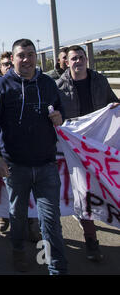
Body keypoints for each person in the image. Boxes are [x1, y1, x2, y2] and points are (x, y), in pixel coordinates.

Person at [0, 39, 67, 275]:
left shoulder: (48, 83)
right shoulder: (0, 86)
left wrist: (61, 116)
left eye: (31, 54)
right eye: (21, 55)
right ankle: (18, 250)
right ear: (13, 59)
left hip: (46, 165)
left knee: (51, 222)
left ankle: (57, 268)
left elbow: (62, 111)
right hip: (14, 166)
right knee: (17, 216)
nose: (27, 59)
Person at [56, 45, 119, 262]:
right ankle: (91, 239)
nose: (78, 61)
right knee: (83, 193)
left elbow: (112, 101)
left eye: (81, 57)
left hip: (99, 144)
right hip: (75, 148)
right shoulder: (58, 87)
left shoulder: (99, 80)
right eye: (74, 58)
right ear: (67, 62)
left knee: (108, 185)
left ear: (86, 60)